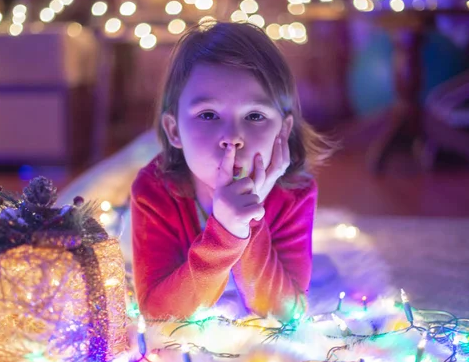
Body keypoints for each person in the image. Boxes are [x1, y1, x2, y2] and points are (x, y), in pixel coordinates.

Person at [131, 21, 330, 321]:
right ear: (174, 131)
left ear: (283, 132)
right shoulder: (154, 191)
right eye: (208, 114)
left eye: (254, 115)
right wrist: (225, 232)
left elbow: (284, 314)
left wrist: (247, 223)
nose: (233, 136)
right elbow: (159, 315)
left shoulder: (296, 193)